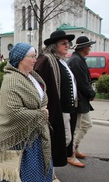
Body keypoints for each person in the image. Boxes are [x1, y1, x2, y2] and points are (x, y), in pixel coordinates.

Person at [0, 43, 52, 182]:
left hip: (35, 136)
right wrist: (41, 114)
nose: (35, 60)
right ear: (21, 58)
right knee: (19, 175)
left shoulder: (31, 76)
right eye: (32, 57)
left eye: (35, 56)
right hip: (17, 139)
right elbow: (13, 113)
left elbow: (41, 98)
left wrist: (42, 108)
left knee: (37, 174)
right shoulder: (12, 80)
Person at [34, 30, 77, 181]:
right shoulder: (46, 60)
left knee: (64, 140)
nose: (67, 46)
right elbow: (38, 83)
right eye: (63, 43)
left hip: (66, 109)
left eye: (68, 43)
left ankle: (48, 169)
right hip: (54, 110)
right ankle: (48, 173)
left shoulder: (61, 60)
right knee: (55, 142)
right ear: (54, 45)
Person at [67, 36, 96, 167]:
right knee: (78, 127)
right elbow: (83, 83)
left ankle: (75, 149)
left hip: (81, 100)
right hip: (78, 101)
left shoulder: (77, 60)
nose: (90, 48)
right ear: (84, 48)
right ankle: (71, 154)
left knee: (85, 125)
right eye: (89, 46)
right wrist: (91, 93)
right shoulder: (76, 61)